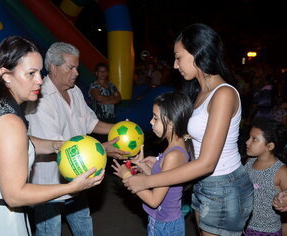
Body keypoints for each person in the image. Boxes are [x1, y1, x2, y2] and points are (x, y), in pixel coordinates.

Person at [0, 36, 104, 236]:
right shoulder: (10, 122)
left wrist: (55, 145)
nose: (40, 80)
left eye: (40, 72)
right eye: (31, 73)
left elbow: (12, 145)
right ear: (6, 75)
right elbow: (15, 195)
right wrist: (71, 187)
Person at [123, 23, 254, 236]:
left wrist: (147, 181)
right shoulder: (201, 92)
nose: (175, 65)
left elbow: (207, 163)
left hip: (224, 186)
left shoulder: (224, 94)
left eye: (178, 57)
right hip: (205, 184)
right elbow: (192, 142)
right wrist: (158, 162)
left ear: (197, 53)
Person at [25, 42, 127, 236]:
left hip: (79, 175)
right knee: (50, 232)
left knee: (84, 227)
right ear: (54, 68)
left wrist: (120, 130)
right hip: (50, 183)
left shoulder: (75, 91)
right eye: (71, 67)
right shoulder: (41, 99)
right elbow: (58, 147)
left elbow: (91, 123)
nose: (76, 73)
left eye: (76, 67)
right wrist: (101, 149)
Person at [112, 91, 194, 236]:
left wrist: (127, 177)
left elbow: (154, 200)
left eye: (155, 118)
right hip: (166, 221)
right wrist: (144, 166)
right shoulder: (175, 148)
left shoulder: (174, 155)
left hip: (164, 225)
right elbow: (164, 181)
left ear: (171, 122)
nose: (151, 121)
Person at [244, 119, 287, 236]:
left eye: (254, 139)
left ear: (269, 146)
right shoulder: (249, 162)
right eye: (249, 137)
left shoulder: (281, 171)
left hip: (267, 231)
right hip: (245, 225)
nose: (247, 142)